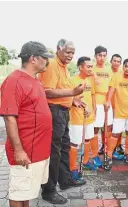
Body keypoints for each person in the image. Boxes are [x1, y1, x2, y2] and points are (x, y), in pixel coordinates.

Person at [0, 41, 52, 207]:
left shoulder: (35, 80)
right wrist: (18, 150)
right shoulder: (14, 81)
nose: (47, 61)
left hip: (38, 149)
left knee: (27, 191)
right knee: (18, 191)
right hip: (26, 150)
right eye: (45, 58)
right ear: (33, 59)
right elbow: (9, 117)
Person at [39, 39, 86, 204]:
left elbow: (60, 90)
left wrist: (73, 100)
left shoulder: (64, 67)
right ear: (58, 49)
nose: (70, 56)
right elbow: (48, 92)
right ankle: (48, 190)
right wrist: (73, 92)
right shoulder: (52, 64)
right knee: (54, 151)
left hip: (63, 112)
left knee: (64, 147)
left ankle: (65, 180)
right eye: (67, 52)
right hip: (54, 112)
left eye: (73, 53)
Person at [69, 56, 100, 181]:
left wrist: (93, 109)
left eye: (91, 66)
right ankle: (72, 168)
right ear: (80, 67)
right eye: (88, 66)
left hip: (89, 116)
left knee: (88, 138)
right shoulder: (72, 80)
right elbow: (68, 98)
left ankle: (86, 161)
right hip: (77, 117)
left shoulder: (90, 80)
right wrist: (82, 107)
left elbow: (92, 95)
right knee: (75, 143)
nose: (90, 69)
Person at [92, 46, 123, 160]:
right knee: (95, 128)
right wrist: (94, 105)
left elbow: (111, 87)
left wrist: (108, 100)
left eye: (104, 55)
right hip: (96, 102)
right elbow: (91, 90)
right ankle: (95, 155)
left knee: (108, 127)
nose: (102, 58)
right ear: (95, 56)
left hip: (106, 103)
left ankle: (107, 150)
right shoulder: (91, 69)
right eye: (99, 55)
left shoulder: (109, 71)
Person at [110, 54, 124, 154]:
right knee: (108, 126)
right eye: (114, 61)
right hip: (109, 103)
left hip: (119, 104)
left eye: (118, 61)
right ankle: (105, 145)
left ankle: (118, 145)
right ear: (111, 61)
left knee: (119, 126)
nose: (116, 63)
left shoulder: (122, 73)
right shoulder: (107, 71)